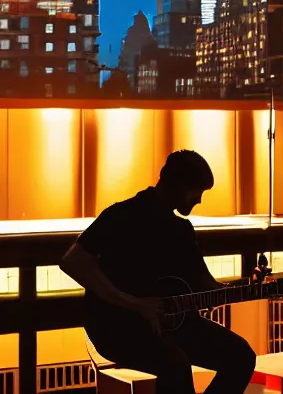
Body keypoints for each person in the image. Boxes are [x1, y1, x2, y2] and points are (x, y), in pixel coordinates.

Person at [60, 150, 256, 394]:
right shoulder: (123, 215)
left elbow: (205, 285)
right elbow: (72, 261)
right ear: (178, 183)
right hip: (118, 327)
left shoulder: (182, 230)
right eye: (197, 191)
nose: (199, 200)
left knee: (241, 356)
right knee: (175, 364)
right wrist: (134, 303)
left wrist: (251, 289)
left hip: (173, 325)